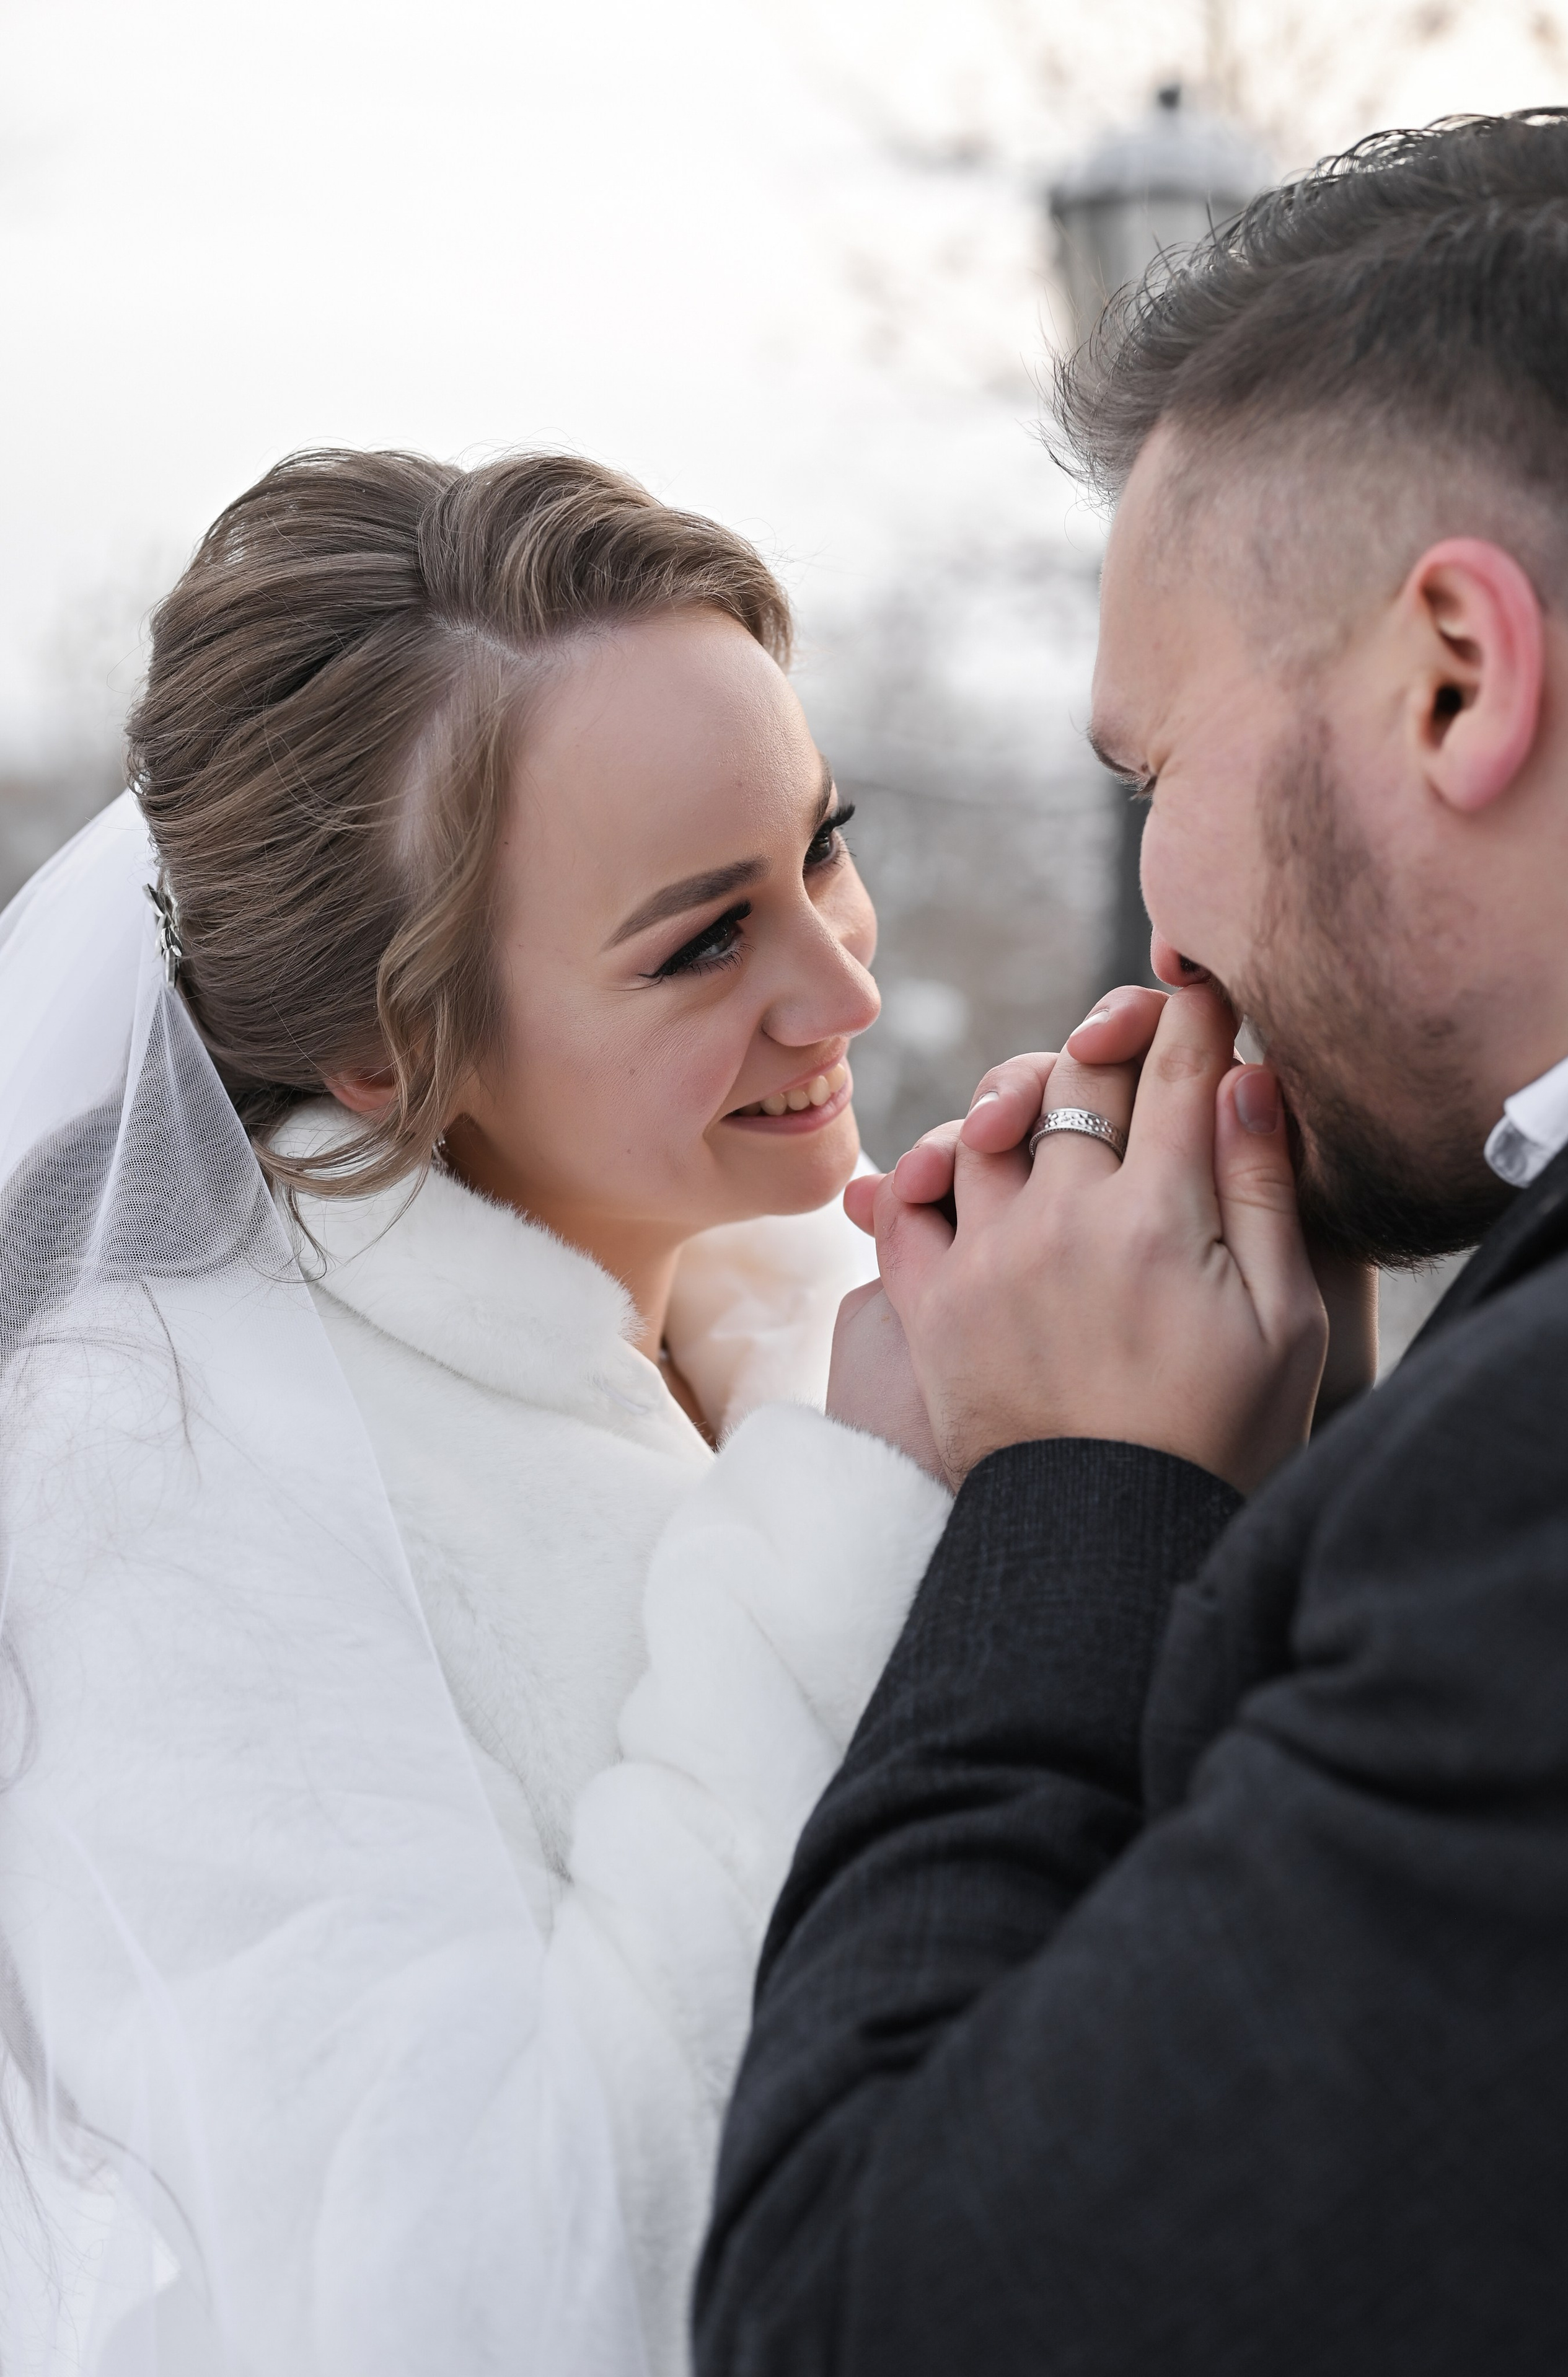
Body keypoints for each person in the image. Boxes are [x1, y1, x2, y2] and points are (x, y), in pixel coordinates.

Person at [696, 108, 1568, 2375]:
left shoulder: (1537, 1481)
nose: (1160, 914)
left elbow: (865, 2319)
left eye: (1151, 767)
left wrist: (1076, 1498)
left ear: (1456, 681)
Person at [0, 452, 951, 2377]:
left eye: (822, 847)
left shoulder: (819, 1313)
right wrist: (865, 1511)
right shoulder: (160, 1467)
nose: (843, 981)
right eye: (704, 938)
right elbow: (480, 2302)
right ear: (384, 1041)